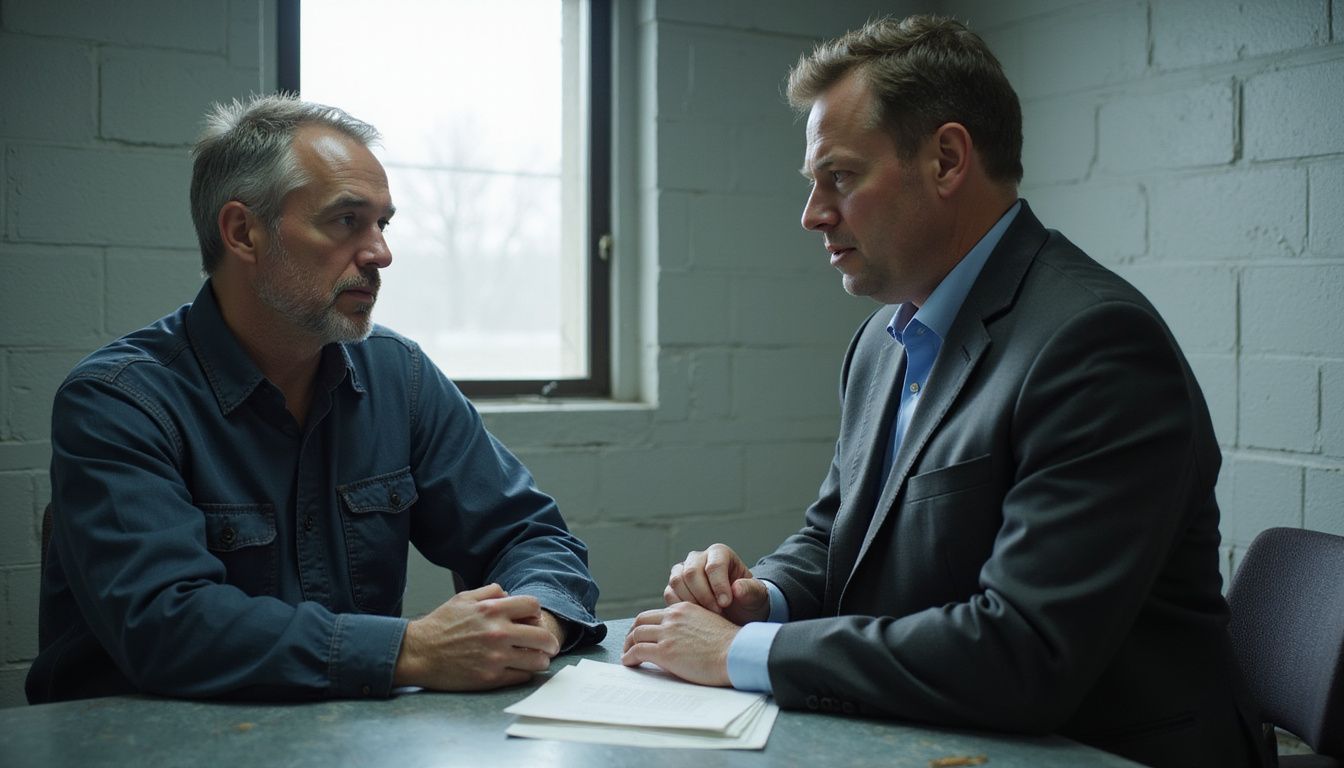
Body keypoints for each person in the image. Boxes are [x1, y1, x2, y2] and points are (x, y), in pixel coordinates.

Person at [621, 15, 1270, 768]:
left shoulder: (1097, 346)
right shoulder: (883, 341)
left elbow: (1023, 651)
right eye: (814, 184)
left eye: (840, 176)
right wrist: (763, 596)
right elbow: (836, 537)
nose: (813, 215)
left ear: (947, 159)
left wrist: (744, 652)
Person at [27, 94, 604, 703]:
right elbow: (165, 624)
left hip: (342, 736)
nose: (381, 252)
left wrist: (533, 622)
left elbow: (529, 536)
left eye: (383, 223)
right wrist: (411, 650)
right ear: (243, 232)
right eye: (347, 220)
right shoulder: (119, 400)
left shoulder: (397, 374)